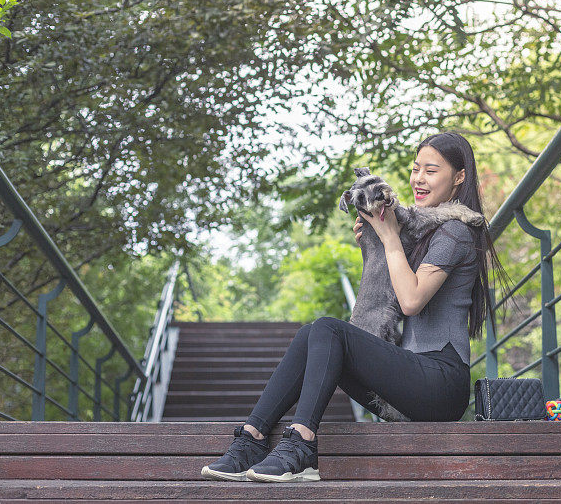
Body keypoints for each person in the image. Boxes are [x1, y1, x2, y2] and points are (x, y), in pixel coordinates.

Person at [201, 131, 504, 483]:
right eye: (415, 168)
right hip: (409, 381)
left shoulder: (457, 231)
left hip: (440, 384)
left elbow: (410, 300)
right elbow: (386, 296)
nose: (419, 179)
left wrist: (390, 236)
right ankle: (253, 438)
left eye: (431, 171)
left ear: (460, 176)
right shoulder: (422, 233)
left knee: (329, 328)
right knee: (311, 334)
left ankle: (302, 444)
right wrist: (376, 246)